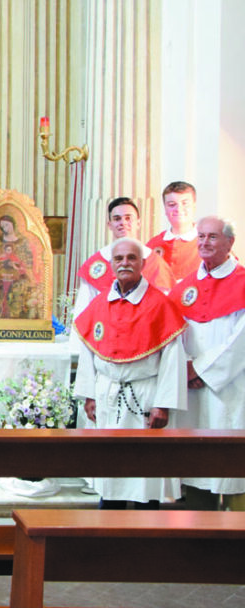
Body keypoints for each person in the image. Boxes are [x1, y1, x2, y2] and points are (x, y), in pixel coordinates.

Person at [73, 237, 186, 509]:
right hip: (107, 395)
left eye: (131, 258)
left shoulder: (160, 305)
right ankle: (108, 531)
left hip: (144, 397)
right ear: (111, 264)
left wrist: (163, 404)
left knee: (143, 471)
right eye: (119, 258)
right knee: (110, 469)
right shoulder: (99, 304)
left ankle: (145, 535)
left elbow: (173, 359)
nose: (125, 263)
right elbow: (88, 353)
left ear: (143, 264)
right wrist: (89, 395)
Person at [171, 217, 245, 510]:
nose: (204, 242)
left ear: (229, 242)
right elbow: (174, 334)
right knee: (196, 464)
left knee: (232, 465)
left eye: (212, 237)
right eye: (200, 236)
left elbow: (240, 343)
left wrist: (199, 369)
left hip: (231, 388)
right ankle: (199, 539)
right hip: (192, 389)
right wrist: (185, 367)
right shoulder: (185, 286)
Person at [73, 197, 175, 319]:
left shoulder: (155, 263)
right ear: (109, 225)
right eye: (117, 219)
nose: (123, 223)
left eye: (128, 218)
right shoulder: (96, 263)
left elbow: (166, 311)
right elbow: (83, 310)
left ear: (138, 223)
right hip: (107, 332)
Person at [0, 214, 41, 319]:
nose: (5, 228)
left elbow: (27, 261)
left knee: (21, 287)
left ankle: (18, 318)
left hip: (18, 275)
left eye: (7, 225)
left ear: (13, 224)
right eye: (3, 227)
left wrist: (18, 266)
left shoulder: (23, 242)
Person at [147, 181, 199, 281]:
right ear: (165, 209)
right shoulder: (153, 244)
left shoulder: (209, 243)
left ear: (194, 206)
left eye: (185, 204)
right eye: (172, 204)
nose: (178, 209)